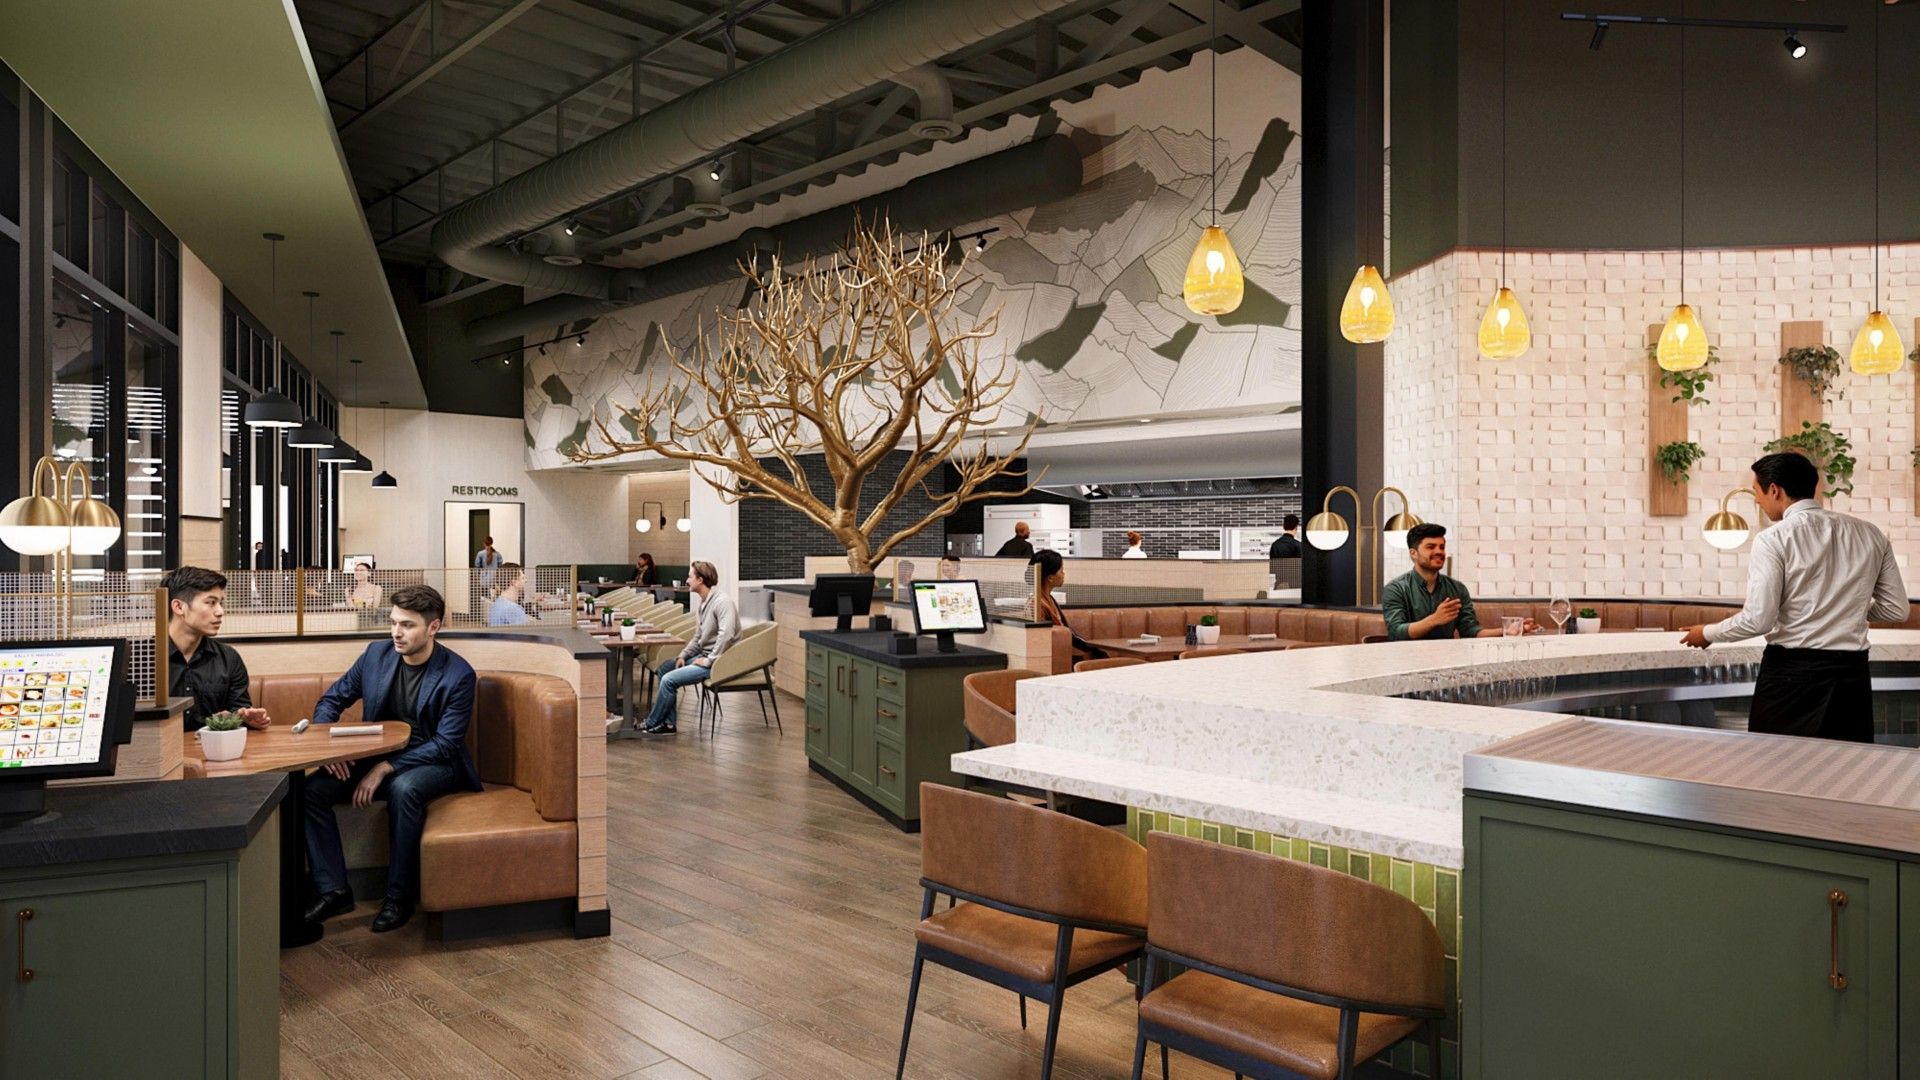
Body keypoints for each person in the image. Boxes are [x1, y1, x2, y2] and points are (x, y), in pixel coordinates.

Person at [1680, 452, 1908, 742]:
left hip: (1792, 676)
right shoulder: (1871, 534)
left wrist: (1707, 632)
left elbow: (1759, 619)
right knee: (1848, 770)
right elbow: (1896, 610)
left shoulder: (1774, 538)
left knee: (1776, 768)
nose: (1757, 502)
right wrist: (1843, 607)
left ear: (1774, 489)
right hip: (1851, 676)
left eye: (1756, 493)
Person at [302, 585, 480, 933]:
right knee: (310, 791)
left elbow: (446, 744)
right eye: (394, 622)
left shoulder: (459, 674)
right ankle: (335, 890)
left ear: (433, 628)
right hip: (377, 753)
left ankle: (399, 898)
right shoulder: (375, 655)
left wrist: (386, 768)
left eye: (408, 625)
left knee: (403, 788)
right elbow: (331, 701)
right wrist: (329, 749)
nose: (396, 632)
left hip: (433, 762)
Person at [163, 567, 270, 733]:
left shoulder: (229, 658)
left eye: (221, 603)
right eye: (211, 603)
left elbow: (239, 710)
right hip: (157, 754)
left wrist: (244, 718)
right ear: (178, 607)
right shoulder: (141, 660)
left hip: (216, 752)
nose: (220, 612)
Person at [1383, 523, 1535, 640]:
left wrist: (1507, 631)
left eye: (1442, 547)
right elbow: (1396, 632)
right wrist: (1434, 620)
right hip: (1407, 663)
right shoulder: (1396, 589)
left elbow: (1470, 631)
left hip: (1448, 662)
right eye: (1431, 547)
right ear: (1413, 553)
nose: (1439, 552)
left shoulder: (1457, 588)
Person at [642, 560, 737, 735]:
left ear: (700, 580)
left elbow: (727, 636)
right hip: (704, 656)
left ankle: (650, 723)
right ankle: (669, 725)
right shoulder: (703, 604)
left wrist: (709, 660)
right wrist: (683, 656)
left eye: (690, 577)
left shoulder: (722, 602)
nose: (687, 581)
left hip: (719, 662)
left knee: (669, 680)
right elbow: (698, 637)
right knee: (664, 669)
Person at [1031, 549, 1104, 662]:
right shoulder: (1038, 605)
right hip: (1054, 658)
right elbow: (1043, 640)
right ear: (1050, 577)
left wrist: (1092, 648)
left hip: (1064, 652)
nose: (1064, 574)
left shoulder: (1049, 599)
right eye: (1061, 570)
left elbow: (1069, 634)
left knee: (1100, 655)